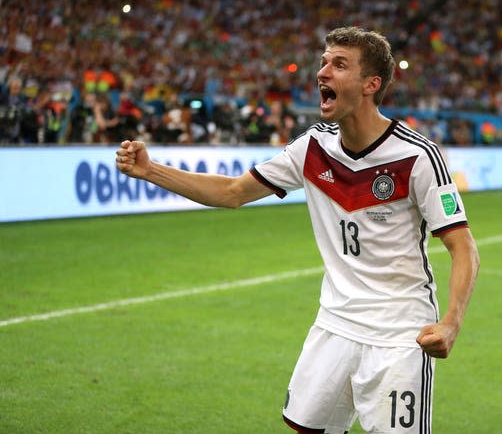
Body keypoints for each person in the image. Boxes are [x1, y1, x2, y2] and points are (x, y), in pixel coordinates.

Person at [115, 27, 479, 434]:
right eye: (323, 62)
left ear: (370, 85)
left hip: (399, 333)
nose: (322, 72)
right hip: (335, 323)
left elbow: (462, 246)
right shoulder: (312, 148)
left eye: (339, 64)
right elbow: (233, 192)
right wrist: (150, 171)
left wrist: (451, 322)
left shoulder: (417, 156)